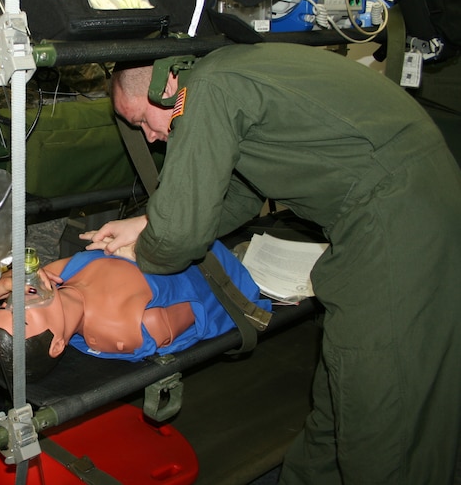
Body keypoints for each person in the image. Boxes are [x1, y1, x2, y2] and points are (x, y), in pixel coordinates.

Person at [82, 43, 461, 485]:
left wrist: (143, 251)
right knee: (342, 402)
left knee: (382, 413)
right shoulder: (228, 75)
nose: (149, 137)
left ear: (167, 87)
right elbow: (240, 194)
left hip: (395, 220)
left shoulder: (205, 89)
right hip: (411, 202)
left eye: (142, 120)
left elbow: (180, 236)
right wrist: (145, 222)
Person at [0, 240, 270, 382]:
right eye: (25, 317)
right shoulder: (129, 327)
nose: (20, 299)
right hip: (211, 262)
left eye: (7, 305)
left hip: (174, 239)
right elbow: (201, 299)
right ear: (58, 344)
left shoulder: (55, 279)